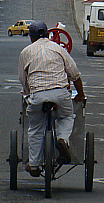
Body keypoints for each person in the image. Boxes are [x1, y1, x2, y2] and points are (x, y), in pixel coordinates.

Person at [18, 21, 85, 176]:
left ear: (31, 37)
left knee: (35, 128)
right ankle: (62, 139)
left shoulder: (25, 52)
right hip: (60, 93)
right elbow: (75, 74)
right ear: (48, 34)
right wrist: (80, 95)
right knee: (67, 116)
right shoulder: (58, 49)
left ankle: (34, 164)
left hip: (38, 94)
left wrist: (30, 93)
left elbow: (23, 79)